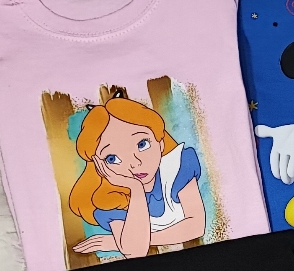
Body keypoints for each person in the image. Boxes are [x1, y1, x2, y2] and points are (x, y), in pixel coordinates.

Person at [67, 93, 206, 258]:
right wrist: (135, 188)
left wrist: (117, 243)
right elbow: (135, 252)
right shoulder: (109, 198)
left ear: (160, 142)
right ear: (99, 166)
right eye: (112, 158)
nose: (134, 163)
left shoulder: (179, 165)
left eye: (142, 144)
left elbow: (196, 226)